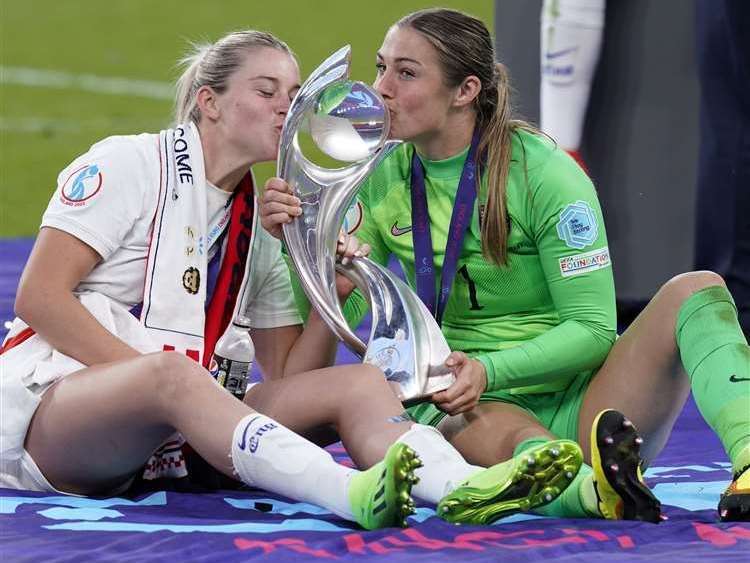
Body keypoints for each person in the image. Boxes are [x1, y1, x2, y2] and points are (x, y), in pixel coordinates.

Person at [0, 30, 582, 530]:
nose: (289, 106)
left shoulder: (263, 220)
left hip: (179, 441)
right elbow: (40, 297)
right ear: (210, 102)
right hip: (59, 424)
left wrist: (333, 288)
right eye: (266, 90)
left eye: (295, 93)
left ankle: (461, 489)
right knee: (173, 375)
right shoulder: (128, 164)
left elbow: (290, 379)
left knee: (357, 383)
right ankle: (350, 493)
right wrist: (163, 387)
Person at [261, 9, 750, 522]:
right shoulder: (382, 176)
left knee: (697, 289)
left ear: (465, 90)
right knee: (473, 416)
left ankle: (745, 457)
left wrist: (490, 369)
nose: (380, 88)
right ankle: (593, 490)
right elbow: (331, 338)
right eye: (381, 68)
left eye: (405, 73)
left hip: (590, 408)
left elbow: (594, 330)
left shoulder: (544, 172)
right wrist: (307, 256)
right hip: (467, 406)